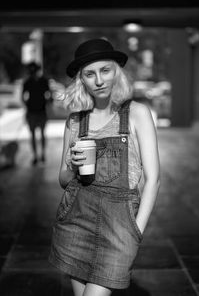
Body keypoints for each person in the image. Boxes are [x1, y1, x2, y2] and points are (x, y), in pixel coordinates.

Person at [49, 38, 160, 296]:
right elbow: (64, 181)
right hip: (76, 224)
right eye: (90, 73)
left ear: (116, 72)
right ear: (82, 79)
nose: (99, 80)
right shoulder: (75, 121)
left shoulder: (137, 113)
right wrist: (72, 166)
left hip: (120, 231)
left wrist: (136, 232)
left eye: (105, 70)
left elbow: (153, 179)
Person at [21, 61, 52, 165]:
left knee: (42, 134)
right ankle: (35, 156)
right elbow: (23, 97)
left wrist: (46, 103)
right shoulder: (27, 82)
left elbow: (49, 95)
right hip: (33, 112)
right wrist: (28, 105)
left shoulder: (43, 81)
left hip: (40, 111)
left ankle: (42, 154)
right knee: (33, 135)